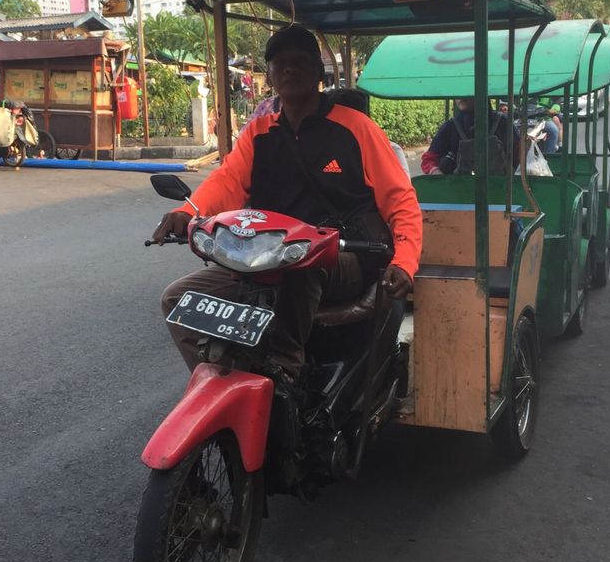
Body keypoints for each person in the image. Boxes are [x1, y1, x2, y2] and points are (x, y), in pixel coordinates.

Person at [152, 25, 423, 378]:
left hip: (340, 254)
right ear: (270, 76)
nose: (290, 70)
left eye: (300, 62)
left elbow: (399, 198)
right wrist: (187, 212)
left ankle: (284, 372)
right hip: (264, 255)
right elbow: (227, 181)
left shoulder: (356, 128)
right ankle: (227, 382)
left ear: (318, 73)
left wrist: (405, 260)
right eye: (281, 64)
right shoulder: (259, 132)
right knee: (177, 299)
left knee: (301, 264)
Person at [419, 97, 518, 175]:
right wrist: (436, 173)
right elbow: (428, 159)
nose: (461, 96)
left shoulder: (503, 123)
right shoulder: (450, 126)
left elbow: (521, 155)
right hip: (457, 195)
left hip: (500, 193)